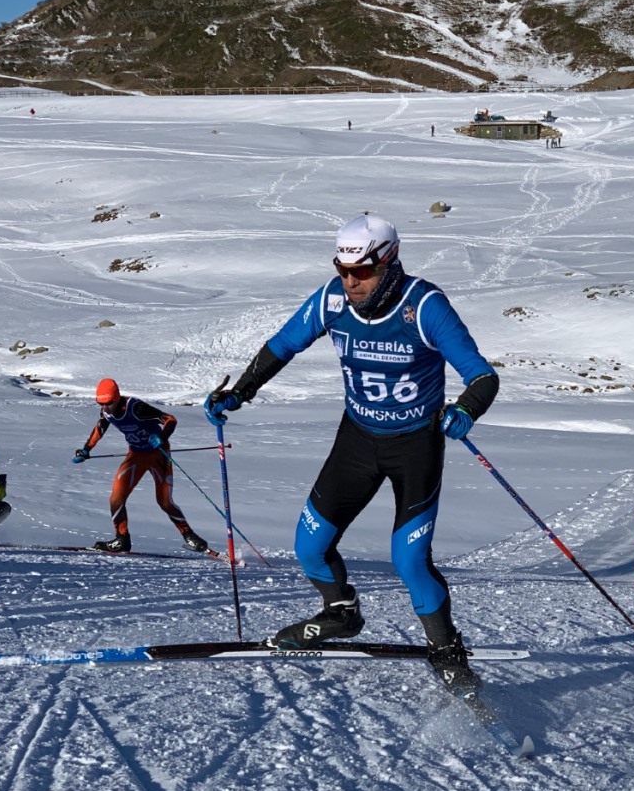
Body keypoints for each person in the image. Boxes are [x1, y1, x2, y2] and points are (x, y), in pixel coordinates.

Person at [203, 212, 499, 695]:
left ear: (388, 262)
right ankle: (341, 612)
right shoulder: (332, 299)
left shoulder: (424, 306)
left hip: (414, 447)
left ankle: (447, 651)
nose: (349, 280)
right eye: (343, 269)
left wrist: (466, 409)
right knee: (309, 547)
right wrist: (240, 391)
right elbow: (283, 345)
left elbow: (483, 376)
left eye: (360, 271)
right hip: (358, 440)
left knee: (409, 561)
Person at [71, 378, 209, 554]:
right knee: (116, 499)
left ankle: (189, 535)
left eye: (108, 403)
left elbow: (170, 419)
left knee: (165, 502)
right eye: (101, 403)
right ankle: (122, 539)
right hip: (136, 455)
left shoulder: (135, 408)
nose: (104, 407)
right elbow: (101, 427)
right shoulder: (106, 411)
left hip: (158, 454)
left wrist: (162, 437)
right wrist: (85, 450)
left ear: (117, 398)